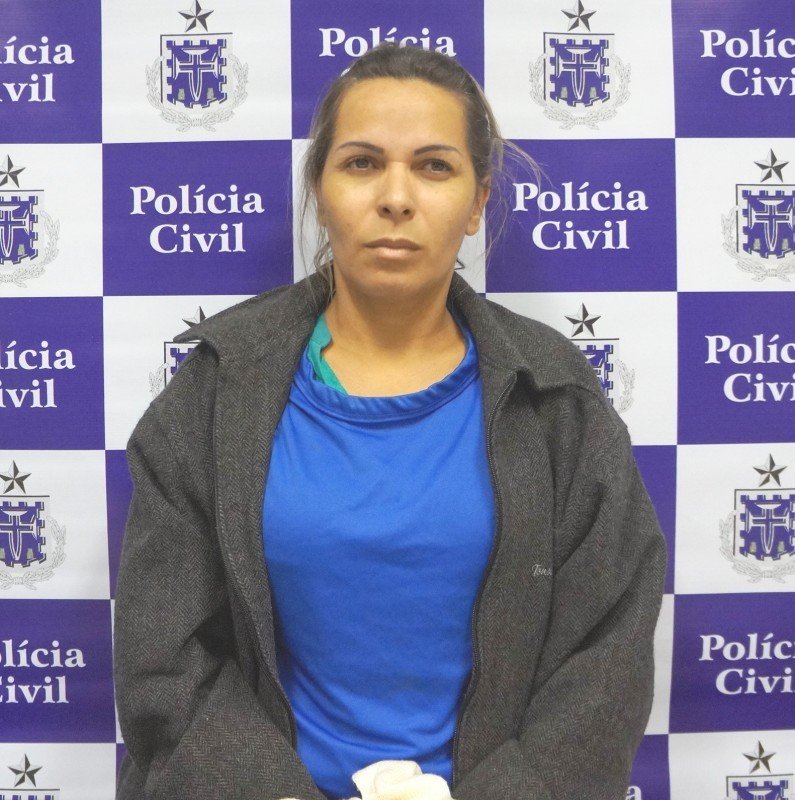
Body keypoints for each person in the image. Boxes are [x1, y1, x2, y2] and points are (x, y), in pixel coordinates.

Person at [113, 42, 667, 800]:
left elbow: (606, 659)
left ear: (477, 202)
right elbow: (163, 658)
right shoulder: (216, 388)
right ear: (320, 190)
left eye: (434, 166)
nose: (396, 197)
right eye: (362, 163)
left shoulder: (555, 397)